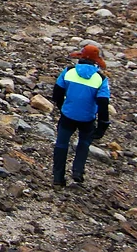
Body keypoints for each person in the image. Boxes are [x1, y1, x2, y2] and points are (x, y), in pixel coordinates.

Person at [51, 43, 110, 187]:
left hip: (68, 115)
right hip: (87, 118)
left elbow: (57, 93)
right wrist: (103, 124)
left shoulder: (68, 71)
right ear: (96, 61)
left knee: (61, 144)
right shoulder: (100, 79)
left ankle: (58, 178)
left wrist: (62, 107)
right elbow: (103, 103)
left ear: (81, 57)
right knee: (84, 144)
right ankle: (77, 171)